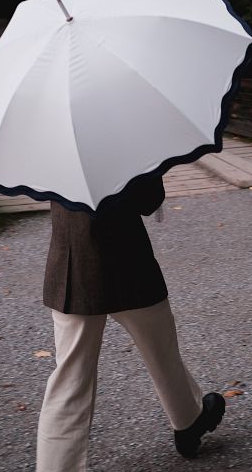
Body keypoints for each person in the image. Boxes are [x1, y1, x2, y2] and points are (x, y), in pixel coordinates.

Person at [36, 174, 225, 471]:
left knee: (70, 379)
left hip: (73, 265)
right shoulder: (121, 132)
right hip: (127, 261)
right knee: (161, 349)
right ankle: (188, 419)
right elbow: (148, 200)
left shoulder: (52, 136)